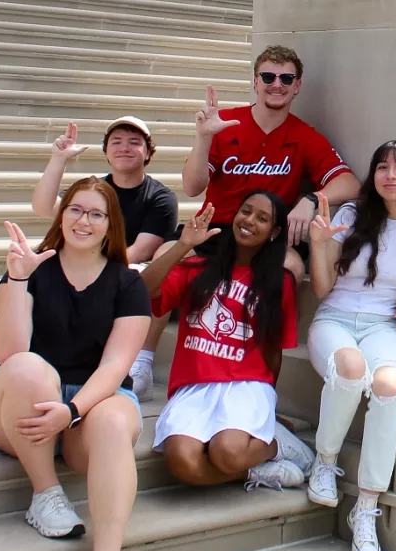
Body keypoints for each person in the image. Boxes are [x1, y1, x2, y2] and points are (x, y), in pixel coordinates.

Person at [0, 176, 151, 551]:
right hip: (23, 406)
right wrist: (19, 280)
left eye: (97, 213)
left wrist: (73, 411)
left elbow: (116, 367)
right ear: (62, 214)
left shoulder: (127, 283)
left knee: (115, 419)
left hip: (87, 408)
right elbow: (7, 351)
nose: (84, 220)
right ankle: (45, 494)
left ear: (110, 225)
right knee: (27, 367)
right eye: (76, 209)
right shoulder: (30, 267)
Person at [305, 141, 396, 551]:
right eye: (382, 167)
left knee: (389, 386)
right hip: (335, 320)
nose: (391, 175)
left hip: (385, 327)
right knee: (350, 370)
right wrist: (318, 245)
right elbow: (320, 289)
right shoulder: (350, 218)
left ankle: (366, 507)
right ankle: (325, 460)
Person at [141, 191, 316, 492]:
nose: (249, 221)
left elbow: (274, 351)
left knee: (228, 452)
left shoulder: (280, 283)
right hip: (193, 383)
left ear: (275, 232)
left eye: (262, 218)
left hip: (246, 384)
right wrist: (183, 245)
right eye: (245, 212)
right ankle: (258, 473)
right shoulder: (197, 268)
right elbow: (143, 291)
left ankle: (277, 446)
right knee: (182, 462)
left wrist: (267, 407)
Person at [181, 46, 359, 283]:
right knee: (164, 258)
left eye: (286, 78)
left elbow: (350, 184)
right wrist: (203, 138)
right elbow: (192, 187)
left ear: (297, 86)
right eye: (268, 77)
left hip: (266, 236)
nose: (277, 84)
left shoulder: (304, 136)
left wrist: (311, 200)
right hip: (215, 229)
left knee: (292, 267)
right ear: (256, 82)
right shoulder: (225, 124)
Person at [32, 116, 178, 400]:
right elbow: (43, 207)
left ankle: (142, 362)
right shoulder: (93, 191)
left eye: (135, 142)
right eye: (117, 142)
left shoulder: (161, 197)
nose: (125, 148)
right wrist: (58, 160)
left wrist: (92, 267)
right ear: (106, 150)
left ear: (148, 152)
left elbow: (142, 249)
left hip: (126, 271)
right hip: (85, 263)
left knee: (144, 273)